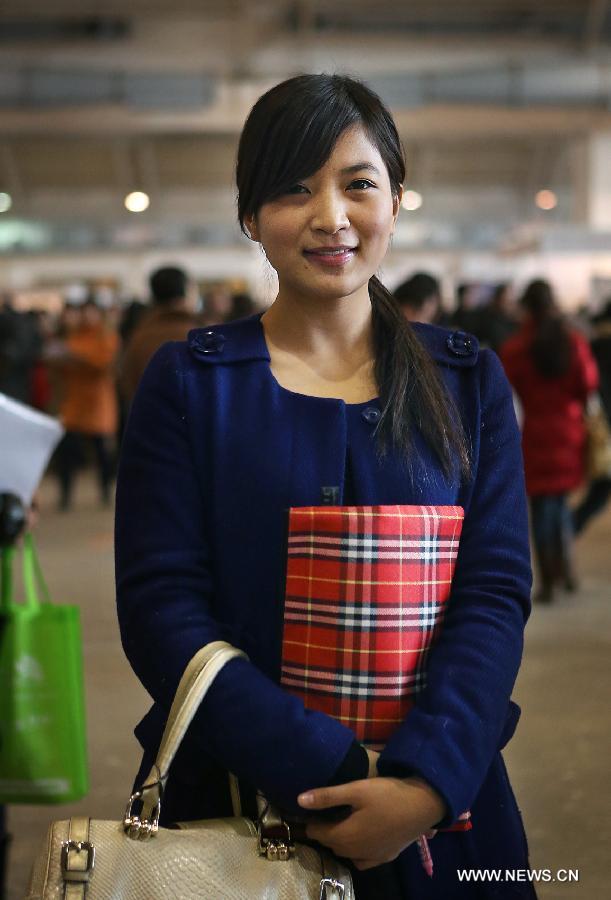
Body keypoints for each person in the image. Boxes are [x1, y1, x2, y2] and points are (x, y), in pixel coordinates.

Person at [116, 74, 534, 899]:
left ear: (396, 199)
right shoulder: (194, 383)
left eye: (357, 185)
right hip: (236, 798)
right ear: (249, 216)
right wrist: (328, 769)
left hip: (446, 808)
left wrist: (421, 785)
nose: (329, 217)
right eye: (292, 189)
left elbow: (492, 591)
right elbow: (162, 606)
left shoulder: (464, 380)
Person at [500, 280, 598, 603]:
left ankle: (548, 581)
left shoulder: (517, 348)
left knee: (541, 509)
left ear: (526, 307)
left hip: (536, 433)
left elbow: (504, 387)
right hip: (569, 432)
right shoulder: (573, 342)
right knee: (560, 504)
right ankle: (567, 569)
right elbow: (588, 384)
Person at [49, 298, 118, 509]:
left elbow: (103, 362)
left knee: (102, 451)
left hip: (98, 401)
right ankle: (65, 495)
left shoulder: (105, 336)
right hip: (74, 401)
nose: (87, 317)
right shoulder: (73, 336)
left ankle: (106, 490)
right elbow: (57, 365)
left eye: (91, 312)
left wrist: (74, 356)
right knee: (67, 451)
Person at [118, 267, 202, 409]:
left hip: (148, 420)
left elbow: (126, 383)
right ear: (187, 291)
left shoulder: (139, 335)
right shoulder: (199, 335)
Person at [572, 298, 611, 533]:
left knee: (601, 488)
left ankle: (571, 527)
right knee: (601, 489)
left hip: (599, 418)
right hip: (605, 421)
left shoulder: (593, 344)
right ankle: (571, 527)